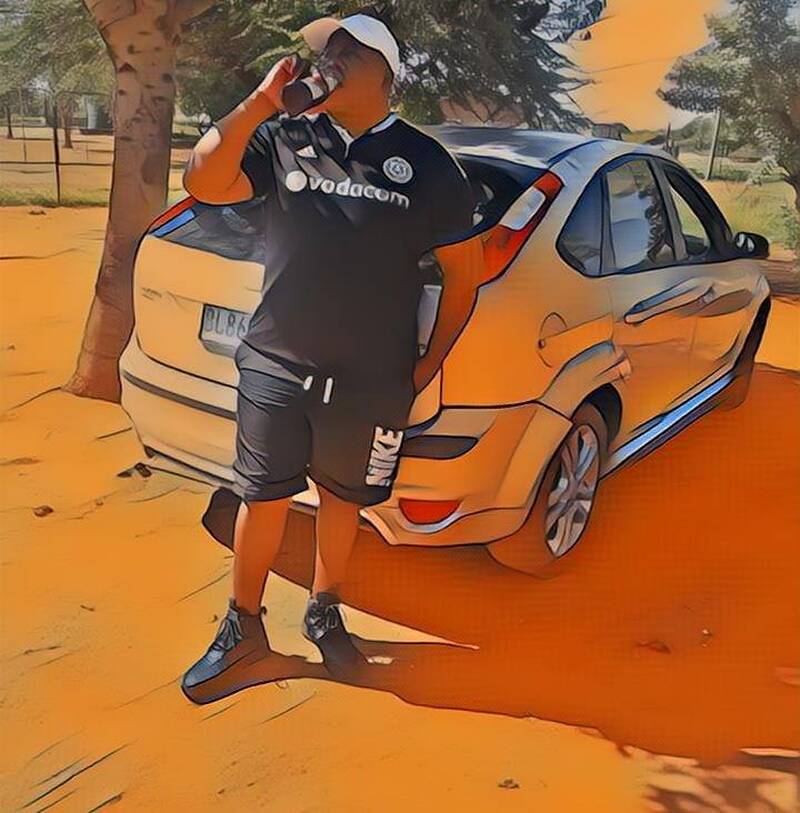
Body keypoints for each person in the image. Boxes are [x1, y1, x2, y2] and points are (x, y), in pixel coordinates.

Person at [180, 13, 486, 703]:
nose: (330, 59)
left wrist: (425, 367)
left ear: (385, 73)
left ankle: (324, 611)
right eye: (327, 50)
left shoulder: (429, 166)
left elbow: (464, 277)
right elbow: (203, 182)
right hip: (275, 362)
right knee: (262, 495)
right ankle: (242, 626)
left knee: (343, 499)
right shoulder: (284, 138)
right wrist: (259, 104)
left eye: (348, 50)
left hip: (369, 379)